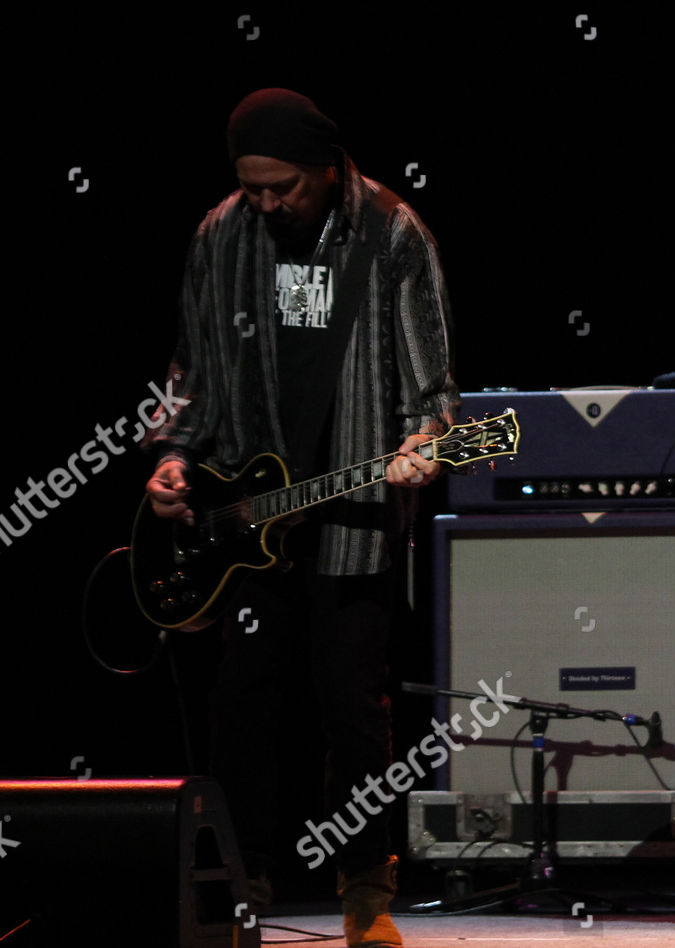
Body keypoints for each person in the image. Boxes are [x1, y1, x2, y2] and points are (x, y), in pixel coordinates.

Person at [143, 88, 458, 948]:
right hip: (246, 515)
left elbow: (435, 394)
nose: (269, 203)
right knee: (242, 706)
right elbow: (191, 366)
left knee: (353, 705)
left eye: (283, 187)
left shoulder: (393, 234)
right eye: (254, 188)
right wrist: (172, 456)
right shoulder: (222, 234)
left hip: (351, 513)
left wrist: (426, 445)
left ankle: (364, 890)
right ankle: (239, 889)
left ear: (326, 170)